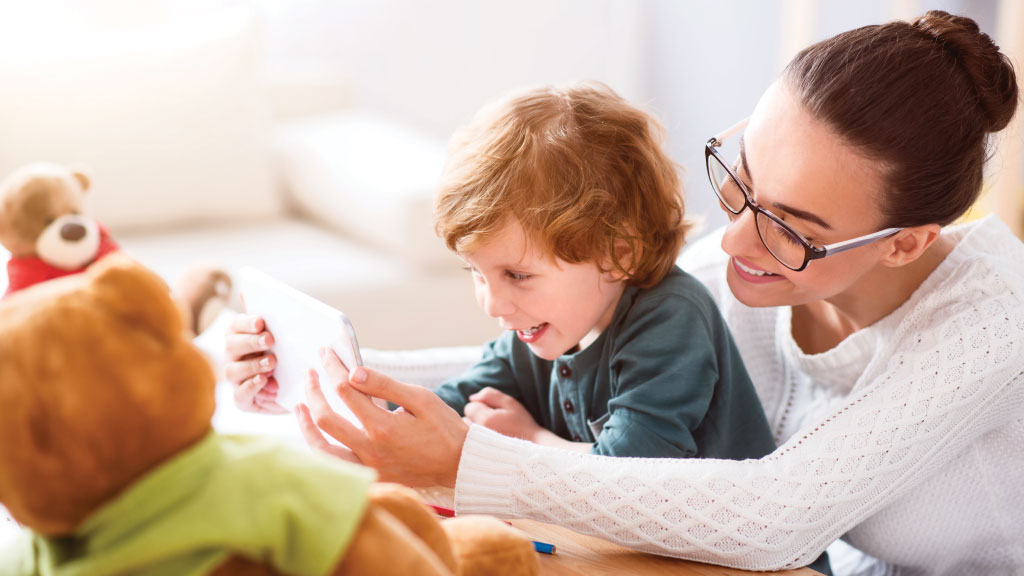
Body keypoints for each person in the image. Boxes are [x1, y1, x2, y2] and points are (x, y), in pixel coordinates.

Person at [224, 10, 1024, 575]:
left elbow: (775, 512)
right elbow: (532, 354)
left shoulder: (995, 327)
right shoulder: (743, 272)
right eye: (742, 183)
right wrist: (320, 362)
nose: (736, 241)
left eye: (792, 228)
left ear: (906, 242)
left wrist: (489, 457)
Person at [230, 83, 782, 462]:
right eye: (476, 272)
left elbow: (632, 473)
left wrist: (529, 440)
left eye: (517, 276)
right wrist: (309, 392)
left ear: (619, 254)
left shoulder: (671, 319)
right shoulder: (537, 332)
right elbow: (444, 408)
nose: (492, 304)